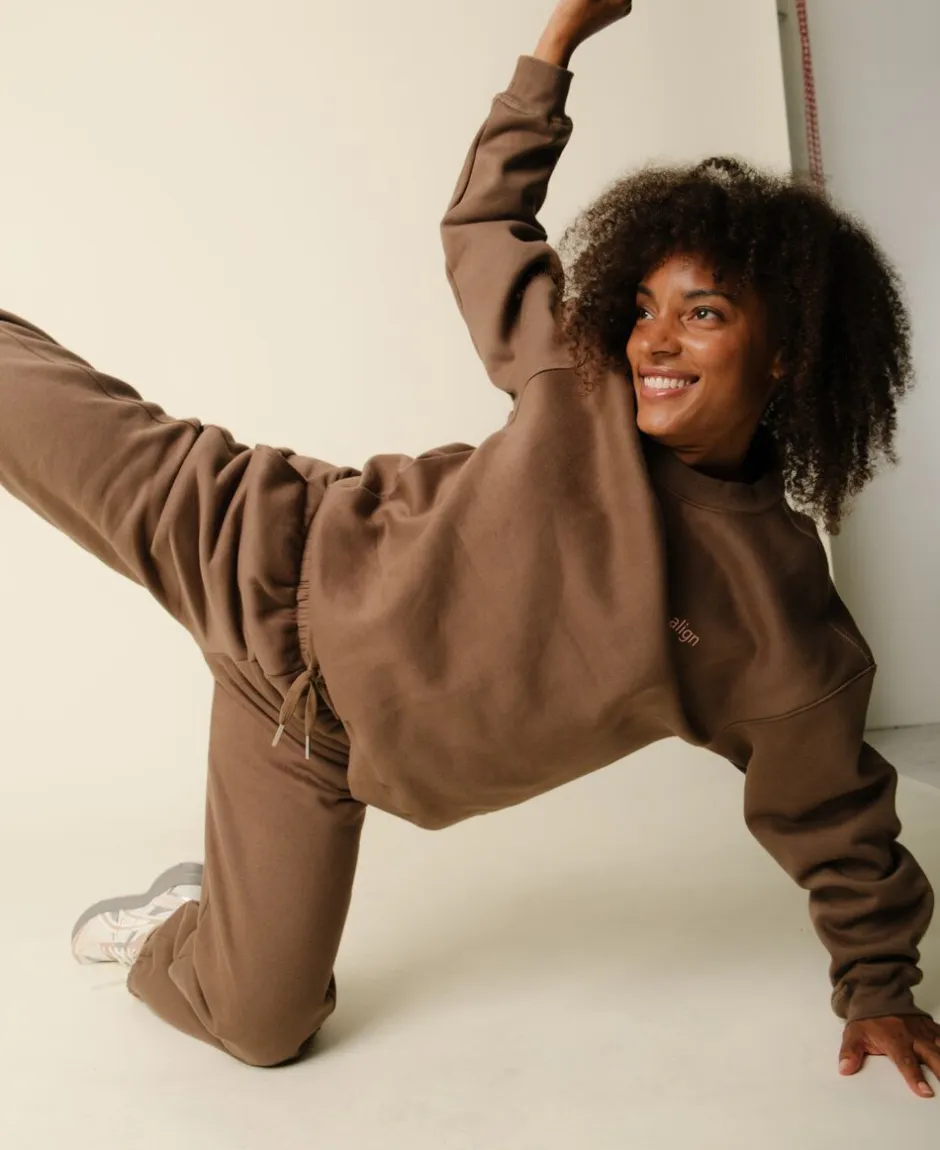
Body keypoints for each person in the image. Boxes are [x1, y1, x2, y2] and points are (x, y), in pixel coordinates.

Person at [2, 0, 937, 1096]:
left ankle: (186, 919)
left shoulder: (777, 619)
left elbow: (831, 809)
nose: (654, 339)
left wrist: (878, 985)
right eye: (644, 307)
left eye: (704, 314)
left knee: (261, 1027)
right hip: (265, 552)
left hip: (309, 744)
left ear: (786, 355)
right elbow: (486, 225)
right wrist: (555, 48)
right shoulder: (584, 380)